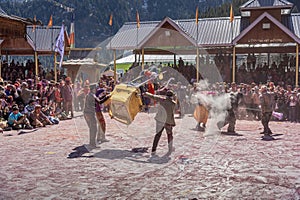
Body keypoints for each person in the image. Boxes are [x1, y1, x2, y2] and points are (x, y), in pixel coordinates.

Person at [144, 89, 176, 156]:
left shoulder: (162, 100)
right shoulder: (173, 103)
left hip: (160, 120)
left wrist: (146, 93)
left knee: (158, 135)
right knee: (169, 135)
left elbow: (153, 96)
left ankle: (153, 150)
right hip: (168, 121)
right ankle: (170, 149)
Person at [83, 84, 111, 149]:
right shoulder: (92, 95)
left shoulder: (90, 95)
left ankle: (92, 142)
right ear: (93, 89)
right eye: (95, 88)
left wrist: (106, 96)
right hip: (90, 113)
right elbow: (100, 101)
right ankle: (92, 143)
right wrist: (107, 97)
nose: (96, 89)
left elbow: (98, 99)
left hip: (88, 113)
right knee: (94, 128)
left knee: (92, 128)